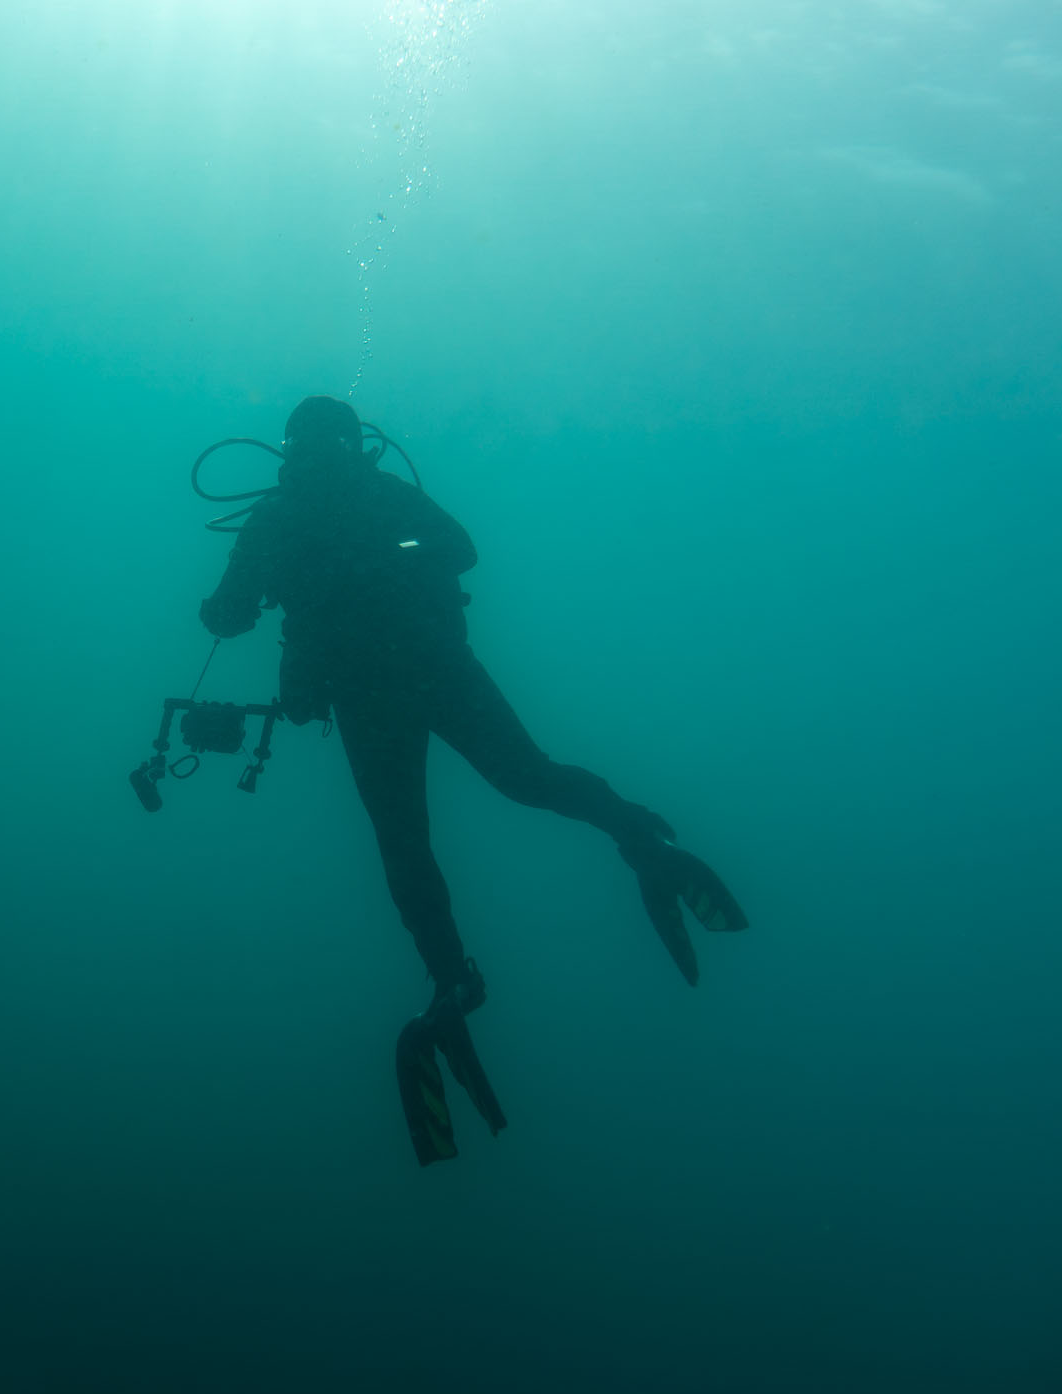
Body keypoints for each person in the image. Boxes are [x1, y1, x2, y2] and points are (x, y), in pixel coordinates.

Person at [198, 395, 748, 1164]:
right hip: (431, 669)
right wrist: (375, 561)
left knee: (408, 840)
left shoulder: (280, 518)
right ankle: (638, 843)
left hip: (376, 690)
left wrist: (308, 579)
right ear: (348, 445)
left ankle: (452, 979)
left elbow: (226, 616)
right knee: (524, 780)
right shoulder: (366, 496)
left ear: (289, 450)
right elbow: (459, 549)